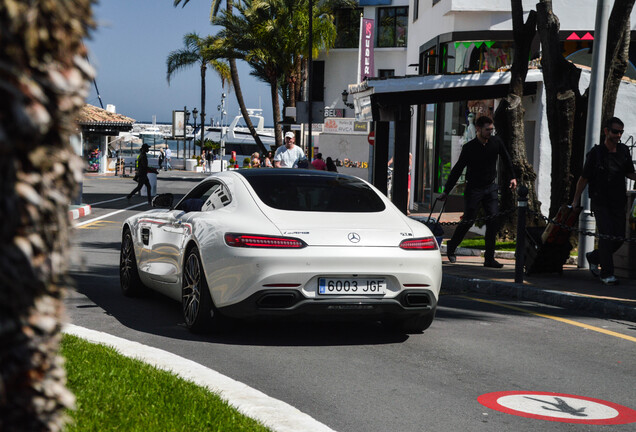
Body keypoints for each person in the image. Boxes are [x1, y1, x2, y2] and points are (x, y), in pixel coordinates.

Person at [439, 116, 517, 268]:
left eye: (491, 129)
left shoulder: (496, 142)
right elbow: (457, 169)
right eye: (487, 129)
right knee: (469, 220)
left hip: (490, 187)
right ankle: (452, 247)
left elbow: (507, 159)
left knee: (493, 221)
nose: (490, 132)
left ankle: (489, 259)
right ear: (478, 129)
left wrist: (513, 177)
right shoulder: (469, 148)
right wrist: (446, 191)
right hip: (474, 188)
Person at [571, 116, 636, 285]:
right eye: (615, 131)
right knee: (606, 236)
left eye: (621, 132)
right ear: (606, 131)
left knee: (619, 238)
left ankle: (594, 257)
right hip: (600, 202)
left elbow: (629, 172)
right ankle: (607, 274)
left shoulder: (623, 151)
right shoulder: (596, 153)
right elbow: (583, 179)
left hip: (618, 201)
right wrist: (576, 200)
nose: (618, 135)